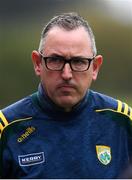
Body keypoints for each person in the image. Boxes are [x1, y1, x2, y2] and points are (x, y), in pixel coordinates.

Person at [0, 12, 132, 179]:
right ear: (38, 63)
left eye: (78, 62)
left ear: (95, 67)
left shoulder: (124, 121)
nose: (67, 74)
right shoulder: (6, 129)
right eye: (56, 60)